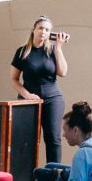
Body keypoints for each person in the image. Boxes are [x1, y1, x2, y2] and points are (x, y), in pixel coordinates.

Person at [11, 16, 69, 168]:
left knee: (53, 138)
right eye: (41, 28)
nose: (43, 32)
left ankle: (53, 176)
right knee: (26, 138)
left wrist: (58, 48)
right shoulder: (22, 51)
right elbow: (14, 80)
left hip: (53, 99)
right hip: (29, 100)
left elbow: (63, 72)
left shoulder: (52, 50)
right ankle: (24, 178)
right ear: (34, 30)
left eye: (47, 30)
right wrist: (27, 95)